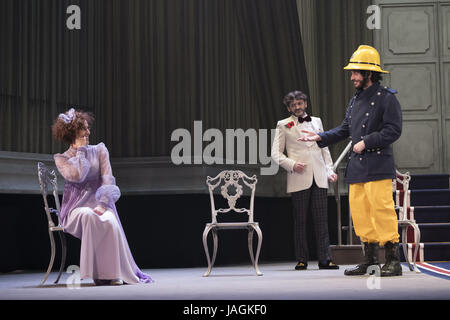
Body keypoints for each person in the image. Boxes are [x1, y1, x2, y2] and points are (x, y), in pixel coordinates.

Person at [299, 45, 403, 277]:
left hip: (378, 165)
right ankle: (370, 260)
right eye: (352, 72)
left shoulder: (387, 99)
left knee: (382, 211)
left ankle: (393, 260)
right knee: (361, 214)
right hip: (357, 167)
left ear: (369, 73)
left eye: (356, 72)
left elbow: (393, 130)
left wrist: (367, 141)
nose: (352, 76)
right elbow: (346, 129)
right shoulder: (355, 100)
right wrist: (321, 137)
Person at [52, 108, 153, 285]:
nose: (88, 132)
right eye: (84, 128)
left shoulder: (99, 150)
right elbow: (77, 176)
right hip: (75, 209)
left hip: (99, 203)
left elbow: (108, 179)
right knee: (88, 215)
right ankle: (94, 273)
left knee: (110, 220)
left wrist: (104, 203)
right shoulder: (62, 158)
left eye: (88, 128)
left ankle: (112, 274)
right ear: (74, 132)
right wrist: (81, 151)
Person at [271, 90, 339, 271]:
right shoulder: (283, 124)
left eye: (299, 103)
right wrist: (292, 164)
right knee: (300, 220)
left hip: (319, 176)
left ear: (305, 104)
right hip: (299, 176)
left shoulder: (316, 121)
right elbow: (275, 153)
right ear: (288, 107)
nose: (297, 107)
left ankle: (325, 258)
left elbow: (324, 149)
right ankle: (302, 258)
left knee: (321, 220)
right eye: (293, 105)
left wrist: (330, 170)